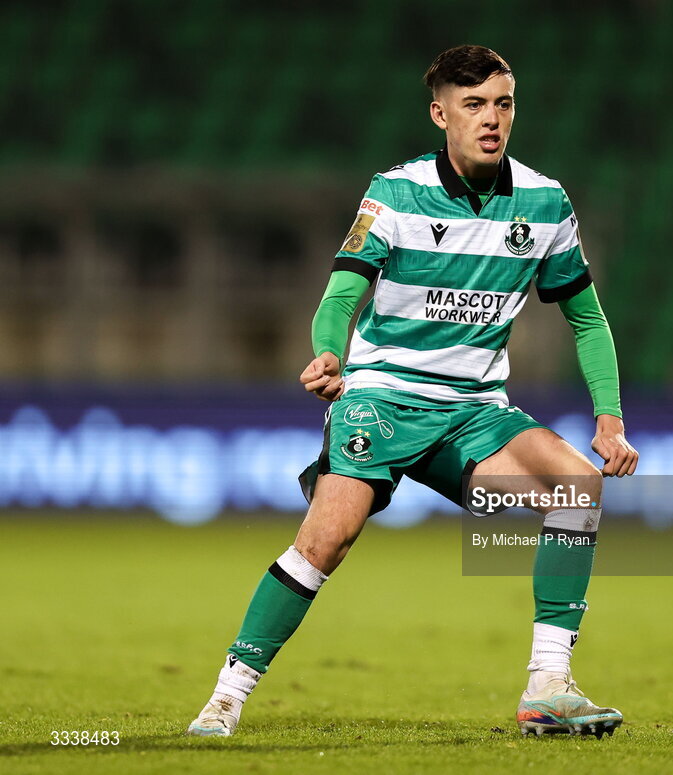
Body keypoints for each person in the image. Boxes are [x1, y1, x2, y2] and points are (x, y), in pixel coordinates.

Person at [187, 44, 638, 739]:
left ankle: (547, 686)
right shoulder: (393, 192)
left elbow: (585, 316)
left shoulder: (545, 202)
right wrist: (328, 353)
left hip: (473, 414)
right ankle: (227, 694)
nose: (492, 119)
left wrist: (608, 419)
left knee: (577, 486)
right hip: (382, 398)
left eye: (503, 103)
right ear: (439, 114)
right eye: (474, 105)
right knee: (327, 536)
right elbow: (341, 291)